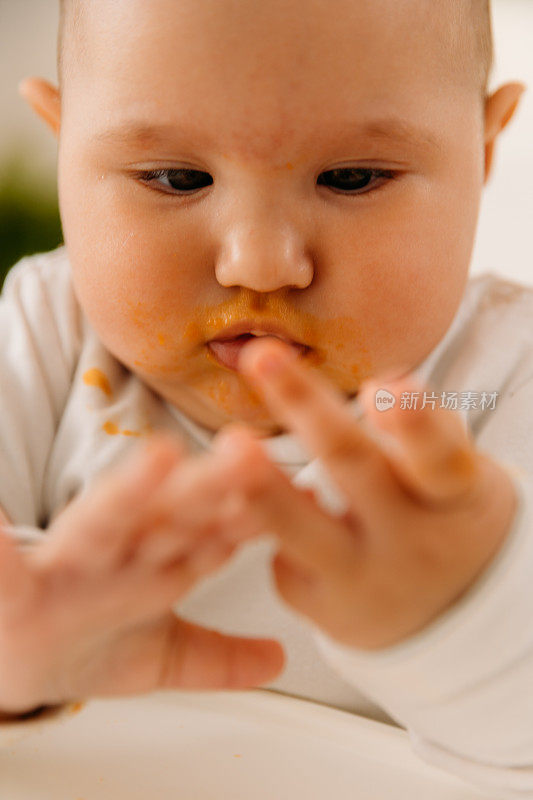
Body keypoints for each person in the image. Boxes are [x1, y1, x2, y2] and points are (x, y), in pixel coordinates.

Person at [0, 0, 531, 795]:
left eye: (352, 177)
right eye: (175, 178)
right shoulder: (42, 332)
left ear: (483, 150)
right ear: (64, 142)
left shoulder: (504, 383)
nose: (259, 262)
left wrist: (459, 615)